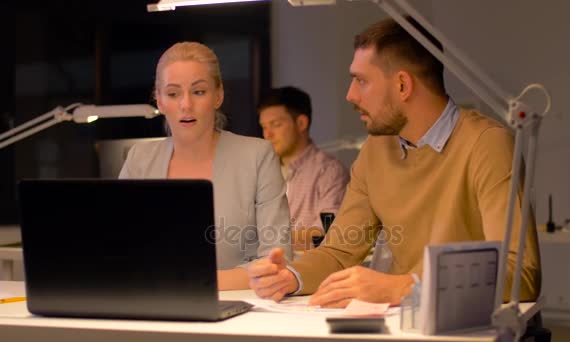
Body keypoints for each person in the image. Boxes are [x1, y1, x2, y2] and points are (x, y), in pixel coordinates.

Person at [247, 17, 541, 307]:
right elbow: (338, 252)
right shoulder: (375, 152)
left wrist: (402, 286)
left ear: (402, 85)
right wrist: (290, 276)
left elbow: (521, 273)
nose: (350, 94)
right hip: (407, 325)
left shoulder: (487, 144)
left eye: (361, 81)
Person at [119, 41, 292, 290]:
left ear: (218, 96)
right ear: (159, 100)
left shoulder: (257, 156)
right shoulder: (139, 159)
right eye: (173, 93)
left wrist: (187, 281)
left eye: (199, 92)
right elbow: (118, 250)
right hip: (152, 309)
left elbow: (275, 262)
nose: (186, 104)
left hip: (238, 315)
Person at [257, 87, 350, 250]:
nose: (267, 135)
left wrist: (264, 240)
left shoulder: (328, 172)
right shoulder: (263, 173)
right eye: (264, 127)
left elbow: (325, 233)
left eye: (275, 125)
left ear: (301, 123)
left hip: (307, 271)